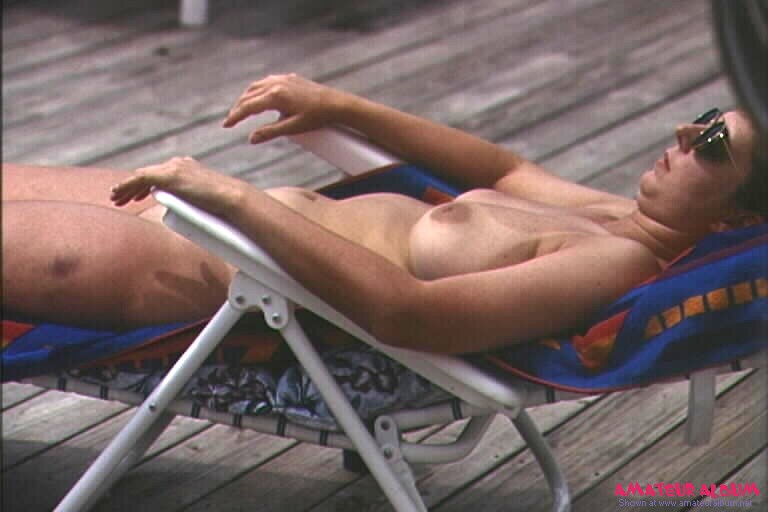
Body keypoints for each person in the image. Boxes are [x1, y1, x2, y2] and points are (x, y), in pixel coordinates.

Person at [3, 74, 765, 354]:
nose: (682, 134)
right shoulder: (608, 215)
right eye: (703, 118)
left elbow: (411, 316)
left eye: (712, 144)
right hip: (198, 211)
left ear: (733, 221)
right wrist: (339, 104)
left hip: (201, 266)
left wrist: (232, 196)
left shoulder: (614, 261)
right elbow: (503, 169)